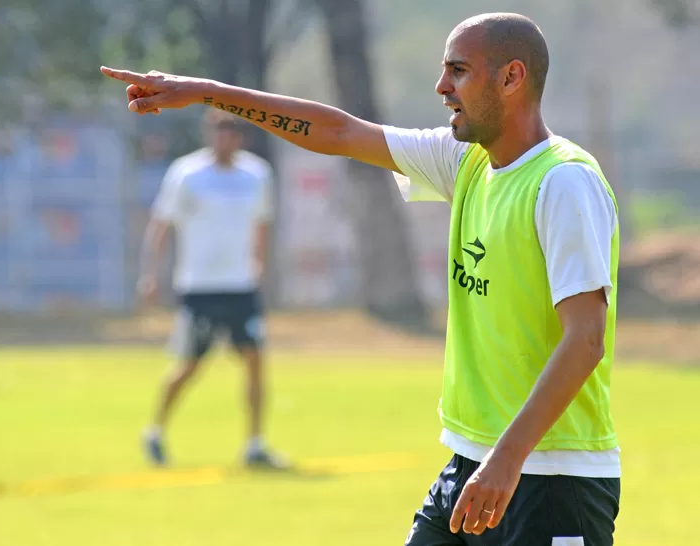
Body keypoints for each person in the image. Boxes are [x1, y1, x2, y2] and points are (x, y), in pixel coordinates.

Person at [103, 11, 621, 545]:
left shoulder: (564, 183)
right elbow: (339, 131)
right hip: (472, 463)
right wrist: (207, 93)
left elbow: (584, 340)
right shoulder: (464, 160)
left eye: (458, 71)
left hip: (555, 480)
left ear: (512, 77)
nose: (442, 87)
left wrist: (507, 458)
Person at [139, 110, 286, 469]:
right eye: (220, 131)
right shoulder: (187, 173)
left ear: (241, 137)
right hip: (200, 286)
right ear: (209, 134)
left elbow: (262, 224)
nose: (226, 138)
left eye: (233, 132)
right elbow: (161, 225)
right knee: (189, 364)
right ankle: (155, 430)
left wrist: (259, 267)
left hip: (240, 286)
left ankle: (254, 443)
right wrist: (151, 274)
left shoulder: (256, 174)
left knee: (254, 360)